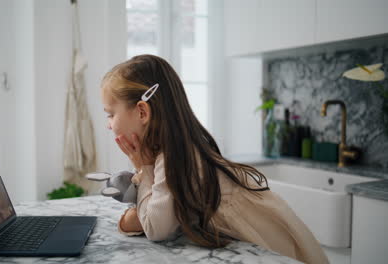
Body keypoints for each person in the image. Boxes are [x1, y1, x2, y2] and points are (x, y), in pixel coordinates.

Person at [100, 54, 329, 264]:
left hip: (268, 242)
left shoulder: (172, 157)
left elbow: (156, 228)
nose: (109, 124)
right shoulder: (173, 150)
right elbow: (165, 214)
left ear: (142, 112)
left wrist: (145, 167)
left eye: (111, 114)